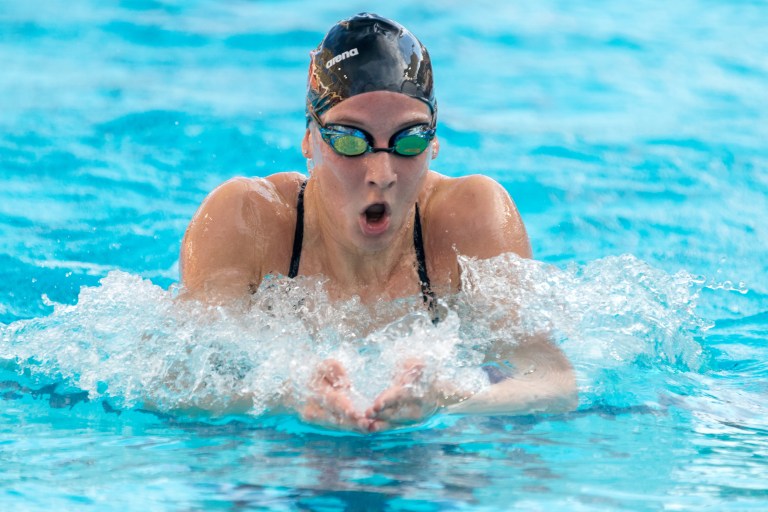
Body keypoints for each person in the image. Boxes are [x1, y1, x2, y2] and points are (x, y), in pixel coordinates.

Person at [180, 13, 577, 432]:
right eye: (351, 141)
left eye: (409, 140)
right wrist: (289, 396)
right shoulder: (248, 219)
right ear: (308, 139)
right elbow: (171, 381)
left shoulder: (472, 216)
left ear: (435, 142)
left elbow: (555, 382)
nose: (382, 172)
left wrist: (447, 397)